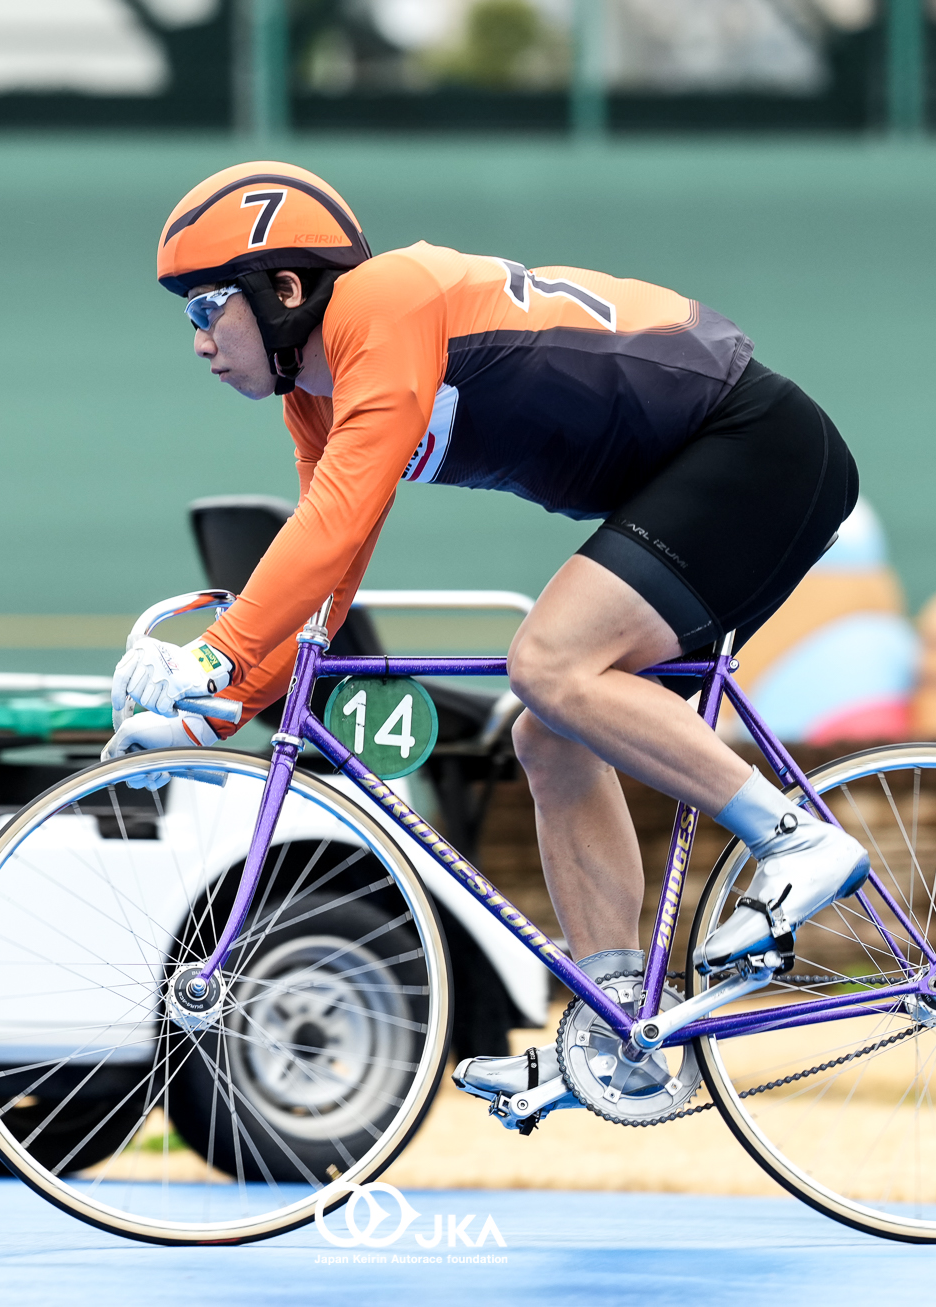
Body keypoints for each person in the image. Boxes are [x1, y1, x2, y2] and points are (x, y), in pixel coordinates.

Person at [106, 161, 870, 1125]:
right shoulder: (318, 393)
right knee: (548, 732)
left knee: (548, 662)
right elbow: (327, 583)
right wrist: (212, 713)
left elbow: (333, 523)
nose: (198, 340)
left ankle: (797, 839)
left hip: (753, 444)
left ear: (285, 289)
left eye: (207, 307)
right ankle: (623, 1029)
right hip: (703, 467)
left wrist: (209, 653)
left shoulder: (382, 303)